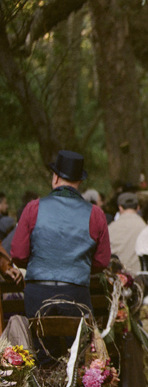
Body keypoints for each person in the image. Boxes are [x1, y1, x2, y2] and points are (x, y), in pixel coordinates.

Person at [11, 150, 111, 363]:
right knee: (77, 357)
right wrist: (78, 266)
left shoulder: (33, 208)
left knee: (42, 356)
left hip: (38, 292)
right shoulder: (95, 214)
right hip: (75, 292)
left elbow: (18, 255)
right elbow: (102, 261)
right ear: (80, 182)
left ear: (55, 177)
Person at [108, 192, 146, 275]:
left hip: (118, 278)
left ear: (120, 208)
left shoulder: (111, 228)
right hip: (139, 278)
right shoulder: (144, 227)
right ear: (138, 208)